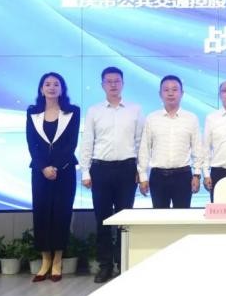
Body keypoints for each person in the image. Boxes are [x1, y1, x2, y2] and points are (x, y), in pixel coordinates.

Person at [80, 66, 143, 283]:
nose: (113, 84)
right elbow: (87, 141)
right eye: (109, 81)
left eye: (117, 81)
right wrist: (85, 171)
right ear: (102, 85)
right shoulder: (94, 111)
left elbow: (140, 143)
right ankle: (105, 265)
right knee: (103, 220)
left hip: (127, 169)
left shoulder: (135, 110)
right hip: (101, 170)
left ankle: (123, 263)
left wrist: (141, 171)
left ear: (123, 84)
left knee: (125, 220)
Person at [26, 72, 80, 283]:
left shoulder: (72, 111)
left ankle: (57, 260)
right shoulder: (32, 112)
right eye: (47, 84)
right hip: (40, 172)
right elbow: (32, 143)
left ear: (62, 88)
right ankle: (45, 260)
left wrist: (55, 166)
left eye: (56, 84)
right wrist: (44, 167)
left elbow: (71, 143)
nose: (51, 87)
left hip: (64, 171)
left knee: (61, 214)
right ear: (41, 89)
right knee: (41, 214)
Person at [137, 75, 203, 208]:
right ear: (160, 94)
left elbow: (197, 149)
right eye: (166, 90)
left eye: (175, 89)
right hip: (158, 176)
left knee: (183, 217)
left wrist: (197, 175)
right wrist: (143, 176)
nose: (170, 93)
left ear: (182, 93)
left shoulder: (191, 118)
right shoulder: (152, 118)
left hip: (183, 176)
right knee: (160, 217)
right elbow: (144, 149)